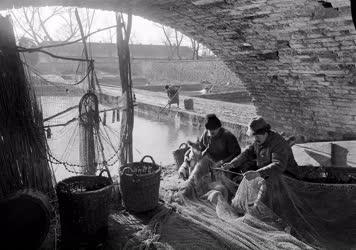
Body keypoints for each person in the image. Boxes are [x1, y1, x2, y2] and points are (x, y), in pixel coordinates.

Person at [223, 116, 298, 181]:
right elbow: (247, 153)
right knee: (246, 164)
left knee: (273, 180)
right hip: (265, 170)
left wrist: (258, 173)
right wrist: (232, 164)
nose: (255, 139)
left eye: (257, 137)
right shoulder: (259, 140)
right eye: (254, 137)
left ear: (265, 133)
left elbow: (278, 165)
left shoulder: (278, 143)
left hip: (285, 174)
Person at [178, 114, 241, 180]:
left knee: (218, 180)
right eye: (209, 130)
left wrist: (222, 162)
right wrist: (189, 154)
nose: (211, 132)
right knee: (192, 163)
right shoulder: (206, 133)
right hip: (210, 161)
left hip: (225, 165)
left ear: (219, 127)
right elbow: (200, 147)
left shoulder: (228, 136)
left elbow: (236, 153)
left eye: (213, 130)